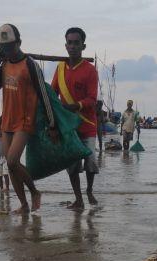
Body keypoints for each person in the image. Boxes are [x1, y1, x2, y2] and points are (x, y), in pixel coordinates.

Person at [0, 23, 56, 213]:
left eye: (10, 46)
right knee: (11, 168)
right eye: (4, 47)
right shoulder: (4, 64)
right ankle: (24, 205)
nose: (7, 50)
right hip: (7, 120)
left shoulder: (30, 65)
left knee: (11, 161)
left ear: (19, 42)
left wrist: (52, 123)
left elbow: (43, 94)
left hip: (25, 121)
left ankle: (34, 192)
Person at [51, 26, 99, 210]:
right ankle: (78, 199)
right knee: (71, 164)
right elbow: (53, 94)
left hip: (87, 125)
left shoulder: (90, 71)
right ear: (65, 45)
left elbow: (92, 99)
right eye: (69, 43)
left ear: (83, 46)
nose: (72, 46)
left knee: (91, 162)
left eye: (76, 43)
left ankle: (89, 190)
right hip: (68, 127)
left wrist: (75, 105)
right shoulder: (60, 68)